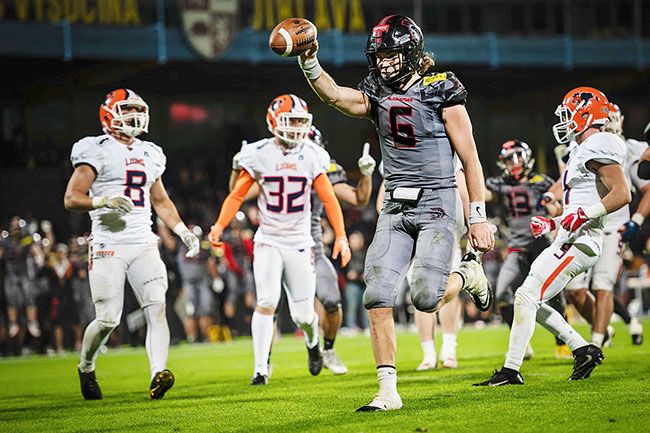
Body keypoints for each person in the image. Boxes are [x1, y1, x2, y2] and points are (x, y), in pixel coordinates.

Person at [298, 15, 494, 411]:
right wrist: (309, 63)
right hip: (394, 206)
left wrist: (477, 216)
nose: (384, 63)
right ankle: (387, 390)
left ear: (412, 52)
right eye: (379, 55)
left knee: (425, 296)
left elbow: (470, 158)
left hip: (438, 201)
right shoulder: (376, 92)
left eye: (391, 54)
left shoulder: (442, 89)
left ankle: (467, 274)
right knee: (378, 295)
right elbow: (336, 95)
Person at [475, 87, 631, 386]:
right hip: (570, 236)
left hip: (582, 241)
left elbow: (621, 194)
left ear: (586, 114)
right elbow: (581, 202)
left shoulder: (598, 143)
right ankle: (582, 348)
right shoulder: (581, 150)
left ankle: (512, 369)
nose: (566, 121)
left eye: (569, 114)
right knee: (526, 296)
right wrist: (553, 222)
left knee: (527, 295)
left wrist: (582, 216)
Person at [63, 88, 200, 400]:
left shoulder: (151, 152)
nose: (133, 116)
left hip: (143, 242)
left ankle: (157, 374)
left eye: (137, 110)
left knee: (157, 306)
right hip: (109, 244)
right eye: (126, 110)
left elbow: (161, 201)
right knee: (108, 319)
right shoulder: (95, 148)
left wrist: (182, 230)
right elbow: (71, 197)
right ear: (108, 114)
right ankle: (86, 365)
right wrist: (103, 200)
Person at [209, 94, 351, 385]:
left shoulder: (312, 153)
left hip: (300, 242)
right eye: (292, 120)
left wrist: (341, 236)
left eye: (301, 121)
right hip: (269, 239)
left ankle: (313, 344)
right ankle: (260, 368)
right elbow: (237, 194)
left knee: (303, 315)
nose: (297, 127)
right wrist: (219, 226)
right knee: (267, 300)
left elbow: (329, 198)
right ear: (274, 121)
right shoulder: (260, 153)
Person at [229, 125, 375, 375]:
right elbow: (239, 193)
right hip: (274, 244)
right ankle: (264, 362)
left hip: (310, 247)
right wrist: (238, 170)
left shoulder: (321, 168)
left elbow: (358, 199)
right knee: (268, 303)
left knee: (330, 301)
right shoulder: (273, 163)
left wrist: (366, 175)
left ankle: (326, 349)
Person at [562, 103, 647, 347]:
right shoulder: (581, 146)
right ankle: (605, 329)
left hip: (613, 227)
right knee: (574, 289)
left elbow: (646, 189)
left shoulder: (629, 149)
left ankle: (596, 343)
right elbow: (566, 182)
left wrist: (636, 220)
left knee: (602, 285)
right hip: (586, 225)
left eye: (613, 117)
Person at [485, 140, 572, 359]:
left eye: (518, 157)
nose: (515, 163)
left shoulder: (541, 182)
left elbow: (558, 204)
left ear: (527, 157)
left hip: (542, 245)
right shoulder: (498, 184)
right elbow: (481, 193)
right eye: (509, 159)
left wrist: (552, 206)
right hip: (516, 247)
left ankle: (562, 343)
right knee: (503, 292)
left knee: (553, 295)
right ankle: (522, 344)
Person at [0, 217, 42, 345]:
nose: (15, 230)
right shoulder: (5, 241)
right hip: (11, 273)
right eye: (14, 228)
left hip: (24, 272)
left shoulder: (26, 239)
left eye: (17, 227)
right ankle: (13, 323)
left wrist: (39, 256)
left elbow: (35, 250)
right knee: (11, 298)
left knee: (30, 296)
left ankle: (32, 322)